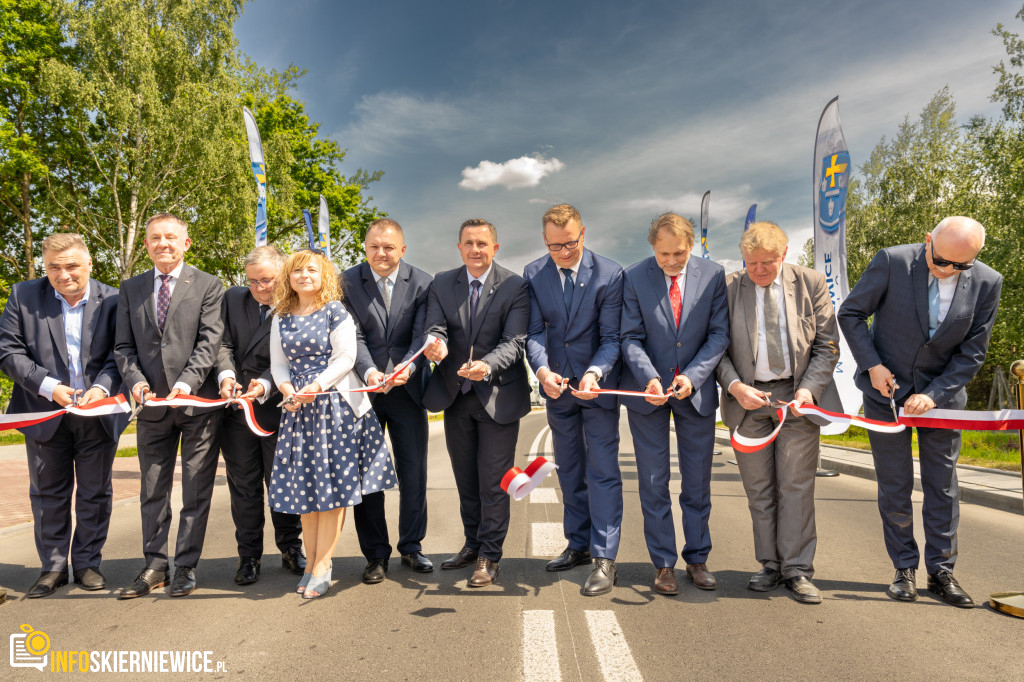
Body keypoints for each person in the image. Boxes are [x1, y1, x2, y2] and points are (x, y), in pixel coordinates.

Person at [838, 216, 1002, 609]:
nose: (947, 271)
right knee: (895, 484)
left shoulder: (987, 282)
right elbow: (851, 314)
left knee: (942, 485)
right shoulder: (892, 261)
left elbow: (973, 351)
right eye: (941, 260)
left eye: (960, 266)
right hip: (885, 394)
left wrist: (935, 393)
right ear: (927, 240)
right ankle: (904, 568)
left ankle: (942, 571)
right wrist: (871, 365)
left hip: (942, 402)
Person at [716, 221, 840, 605]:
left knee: (796, 487)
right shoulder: (728, 288)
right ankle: (769, 565)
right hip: (748, 399)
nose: (758, 271)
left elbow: (827, 346)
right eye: (751, 263)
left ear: (783, 255)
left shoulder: (810, 283)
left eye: (766, 263)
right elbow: (715, 348)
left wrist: (807, 390)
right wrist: (735, 386)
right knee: (759, 489)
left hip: (795, 398)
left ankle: (797, 571)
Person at [0, 234, 128, 598]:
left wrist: (102, 388)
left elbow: (121, 352)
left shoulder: (116, 299)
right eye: (54, 266)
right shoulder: (24, 295)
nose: (63, 274)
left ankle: (87, 564)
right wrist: (48, 386)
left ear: (89, 263)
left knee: (95, 492)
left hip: (97, 412)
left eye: (71, 265)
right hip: (42, 412)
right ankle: (53, 567)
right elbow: (8, 351)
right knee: (47, 494)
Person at [269, 248, 396, 599]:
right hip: (299, 411)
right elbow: (278, 363)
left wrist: (316, 386)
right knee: (307, 493)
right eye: (296, 271)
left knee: (333, 493)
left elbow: (346, 358)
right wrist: (287, 388)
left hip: (335, 405)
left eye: (311, 270)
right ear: (288, 278)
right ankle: (310, 564)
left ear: (323, 275)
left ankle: (324, 565)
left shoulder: (334, 310)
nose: (303, 276)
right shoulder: (280, 315)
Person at [114, 213, 225, 599]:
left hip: (196, 406)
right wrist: (136, 382)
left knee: (195, 490)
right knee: (152, 489)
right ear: (146, 244)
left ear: (186, 243)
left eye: (171, 237)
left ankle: (186, 567)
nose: (163, 243)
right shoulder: (130, 289)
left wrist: (185, 383)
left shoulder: (210, 285)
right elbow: (123, 347)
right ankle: (155, 566)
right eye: (155, 238)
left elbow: (210, 342)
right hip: (151, 408)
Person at [620, 213, 729, 596]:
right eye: (663, 254)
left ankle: (697, 559)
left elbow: (718, 335)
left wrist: (693, 376)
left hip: (695, 393)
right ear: (652, 248)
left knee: (697, 483)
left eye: (679, 253)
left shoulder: (715, 276)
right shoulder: (633, 277)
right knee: (653, 482)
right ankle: (663, 564)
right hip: (649, 394)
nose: (671, 261)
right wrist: (649, 376)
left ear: (692, 245)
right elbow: (629, 337)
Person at [422, 219, 531, 587]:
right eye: (468, 243)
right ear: (459, 247)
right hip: (455, 397)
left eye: (482, 243)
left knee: (493, 483)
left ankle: (490, 555)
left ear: (495, 248)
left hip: (498, 396)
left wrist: (486, 366)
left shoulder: (515, 286)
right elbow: (435, 328)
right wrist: (436, 344)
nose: (475, 250)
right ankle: (471, 544)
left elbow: (515, 342)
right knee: (466, 480)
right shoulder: (441, 283)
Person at [523, 204, 624, 596]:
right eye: (554, 246)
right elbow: (534, 333)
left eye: (570, 243)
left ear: (584, 234)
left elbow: (612, 337)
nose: (563, 253)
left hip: (596, 388)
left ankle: (604, 557)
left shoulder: (610, 274)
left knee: (602, 472)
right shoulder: (534, 273)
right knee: (569, 470)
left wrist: (596, 373)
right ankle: (578, 544)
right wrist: (543, 372)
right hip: (557, 389)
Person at [342, 219, 434, 584]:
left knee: (414, 472)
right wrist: (370, 373)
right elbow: (353, 335)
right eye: (374, 247)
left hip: (408, 391)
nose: (381, 254)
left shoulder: (425, 283)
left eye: (389, 247)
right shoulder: (347, 281)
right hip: (366, 391)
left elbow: (423, 334)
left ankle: (411, 546)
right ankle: (375, 555)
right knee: (367, 476)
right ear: (365, 247)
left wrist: (406, 369)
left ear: (403, 249)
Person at [216, 245, 305, 586]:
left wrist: (266, 384)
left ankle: (290, 547)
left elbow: (296, 358)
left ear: (282, 275)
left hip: (277, 408)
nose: (260, 288)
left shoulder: (297, 306)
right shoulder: (232, 300)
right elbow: (221, 344)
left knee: (281, 482)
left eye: (267, 280)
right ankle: (248, 555)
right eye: (252, 281)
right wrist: (227, 376)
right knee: (244, 486)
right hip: (236, 410)